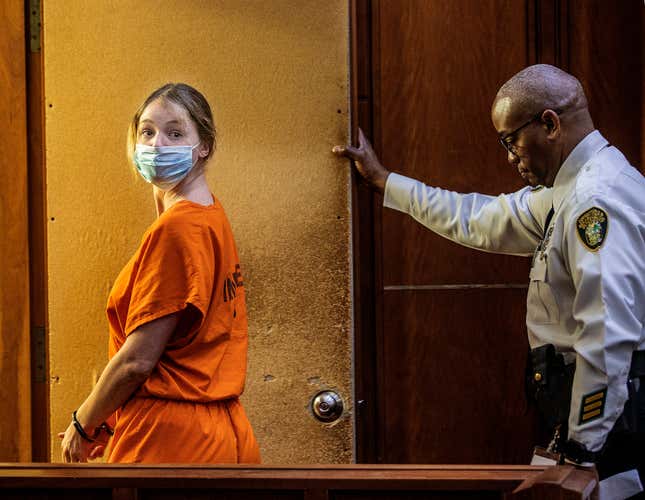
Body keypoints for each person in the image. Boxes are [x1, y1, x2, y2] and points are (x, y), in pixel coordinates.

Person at [334, 64, 645, 499]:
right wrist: (387, 182)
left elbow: (608, 334)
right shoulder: (568, 190)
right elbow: (478, 218)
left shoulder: (597, 199)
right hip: (585, 420)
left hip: (609, 429)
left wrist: (582, 449)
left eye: (511, 140)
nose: (510, 156)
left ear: (550, 124)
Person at [59, 83, 261, 464]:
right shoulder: (210, 215)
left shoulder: (178, 229)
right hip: (218, 433)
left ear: (204, 147)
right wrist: (112, 417)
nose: (157, 145)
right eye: (147, 132)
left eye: (175, 133)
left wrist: (83, 423)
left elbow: (137, 361)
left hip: (170, 442)